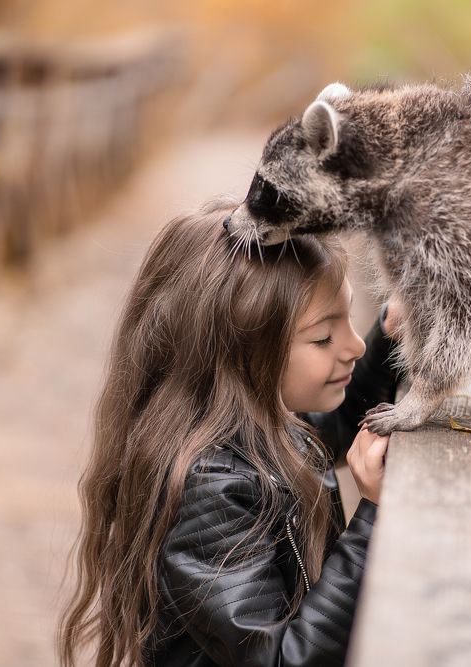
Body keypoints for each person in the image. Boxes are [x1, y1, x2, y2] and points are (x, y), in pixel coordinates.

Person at [58, 197, 404, 666]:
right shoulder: (210, 492)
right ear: (243, 357)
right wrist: (370, 525)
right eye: (324, 337)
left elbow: (337, 426)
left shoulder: (268, 421)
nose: (352, 344)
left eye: (348, 320)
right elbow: (282, 658)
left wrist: (389, 332)